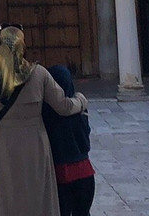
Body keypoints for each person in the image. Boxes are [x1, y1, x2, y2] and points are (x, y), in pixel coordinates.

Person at [0, 26, 88, 216]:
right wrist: (81, 101)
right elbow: (64, 106)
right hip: (36, 145)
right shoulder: (40, 74)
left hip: (4, 149)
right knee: (38, 200)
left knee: (7, 201)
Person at [42, 65, 95, 216]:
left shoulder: (46, 113)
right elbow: (86, 136)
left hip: (59, 172)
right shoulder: (80, 108)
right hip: (84, 170)